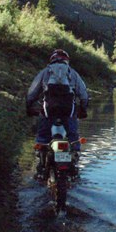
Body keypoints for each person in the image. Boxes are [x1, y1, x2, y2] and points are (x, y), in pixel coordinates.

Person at [26, 49, 89, 178]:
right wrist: (83, 109)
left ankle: (41, 162)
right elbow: (83, 94)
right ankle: (74, 159)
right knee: (73, 136)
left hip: (49, 111)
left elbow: (32, 92)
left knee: (43, 136)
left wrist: (29, 106)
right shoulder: (73, 73)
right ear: (67, 60)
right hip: (68, 111)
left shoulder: (45, 72)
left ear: (52, 59)